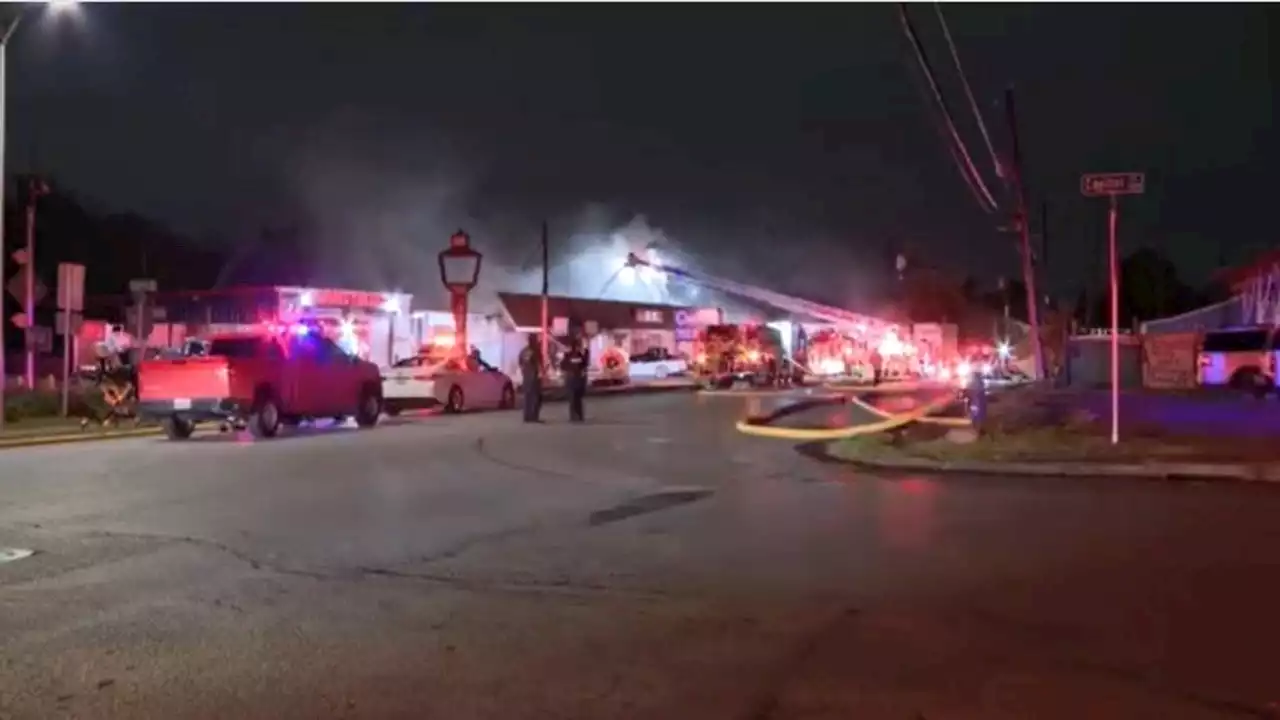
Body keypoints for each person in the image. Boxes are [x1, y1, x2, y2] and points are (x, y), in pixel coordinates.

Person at [561, 334, 590, 423]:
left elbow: (562, 366)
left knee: (572, 399)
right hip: (578, 379)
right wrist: (586, 350)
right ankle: (579, 415)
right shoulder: (580, 355)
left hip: (570, 379)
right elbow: (586, 363)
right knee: (578, 398)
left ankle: (574, 416)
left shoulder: (568, 356)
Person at [518, 334, 543, 423]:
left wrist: (524, 372)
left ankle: (527, 416)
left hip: (526, 377)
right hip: (534, 377)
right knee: (536, 397)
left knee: (527, 397)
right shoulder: (535, 351)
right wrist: (541, 374)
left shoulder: (523, 351)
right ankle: (534, 417)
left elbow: (520, 363)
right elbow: (539, 364)